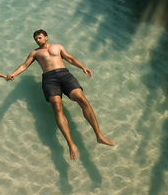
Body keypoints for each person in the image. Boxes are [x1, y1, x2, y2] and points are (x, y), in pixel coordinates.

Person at [7, 30, 114, 159]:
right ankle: (71, 144)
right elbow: (24, 65)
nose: (38, 41)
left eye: (40, 38)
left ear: (46, 37)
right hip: (49, 79)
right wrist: (13, 74)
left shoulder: (57, 47)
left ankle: (99, 135)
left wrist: (83, 67)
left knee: (82, 99)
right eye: (36, 39)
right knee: (57, 107)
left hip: (65, 75)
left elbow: (70, 58)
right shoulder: (35, 53)